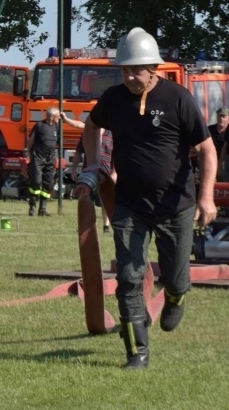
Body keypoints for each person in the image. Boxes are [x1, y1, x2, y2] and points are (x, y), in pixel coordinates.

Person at [78, 27, 217, 369]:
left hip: (176, 205)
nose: (128, 76)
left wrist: (206, 197)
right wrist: (95, 165)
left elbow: (207, 149)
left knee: (177, 276)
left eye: (135, 69)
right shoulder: (113, 98)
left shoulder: (178, 98)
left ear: (153, 67)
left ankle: (175, 295)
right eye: (124, 69)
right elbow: (91, 127)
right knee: (129, 275)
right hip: (130, 204)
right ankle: (137, 352)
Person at [27, 107, 61, 216]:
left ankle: (43, 208)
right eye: (57, 116)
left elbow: (58, 142)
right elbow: (31, 140)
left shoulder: (56, 126)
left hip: (50, 158)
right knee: (36, 181)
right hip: (38, 156)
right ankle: (32, 206)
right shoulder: (39, 126)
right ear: (51, 116)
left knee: (49, 182)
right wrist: (28, 152)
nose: (59, 118)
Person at [211, 107, 229, 182]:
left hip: (225, 163)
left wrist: (221, 163)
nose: (221, 119)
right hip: (212, 162)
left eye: (224, 116)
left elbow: (225, 147)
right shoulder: (210, 130)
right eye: (220, 116)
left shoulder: (228, 130)